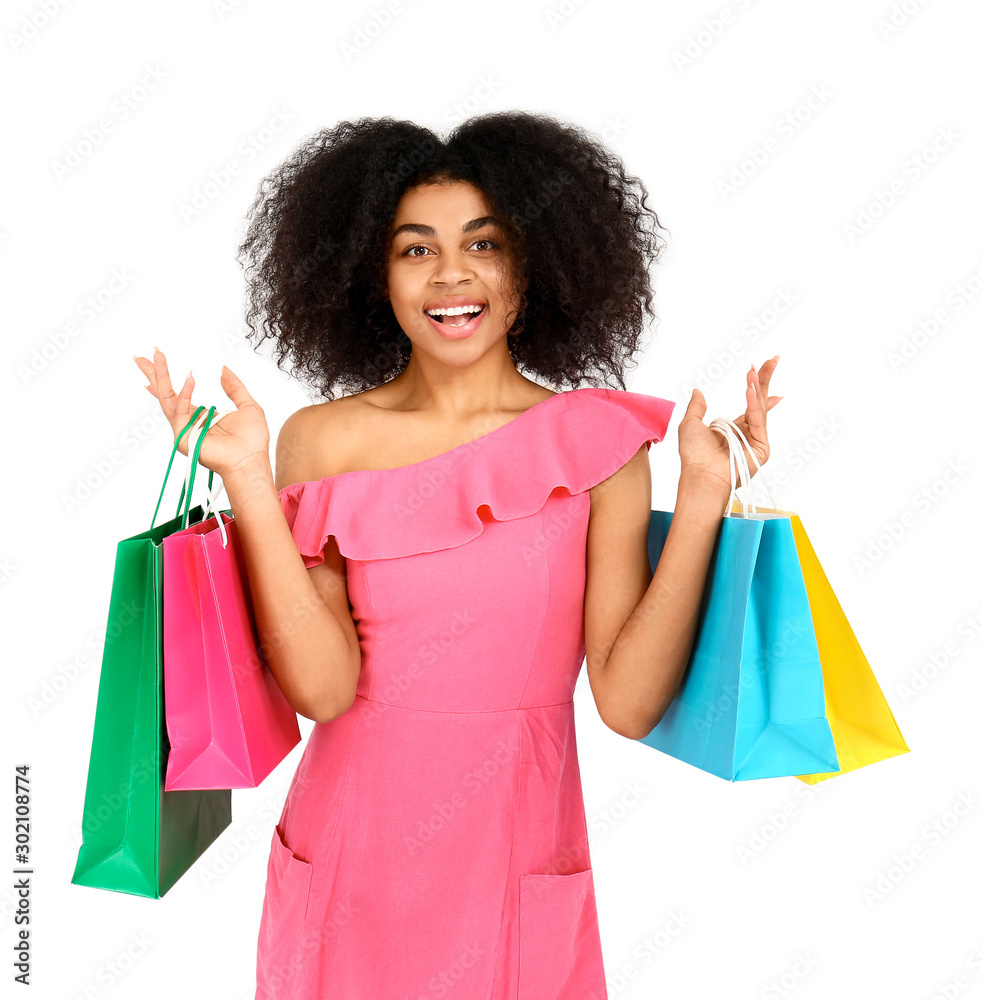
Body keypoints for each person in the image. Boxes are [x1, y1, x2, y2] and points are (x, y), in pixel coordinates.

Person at [133, 111, 780, 999]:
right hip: (351, 854)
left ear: (534, 262)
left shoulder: (598, 445)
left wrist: (703, 495)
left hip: (517, 849)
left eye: (485, 242)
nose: (452, 275)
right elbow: (322, 691)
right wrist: (246, 477)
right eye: (415, 249)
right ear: (375, 274)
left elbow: (627, 703)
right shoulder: (323, 441)